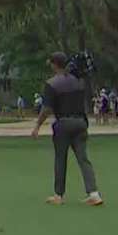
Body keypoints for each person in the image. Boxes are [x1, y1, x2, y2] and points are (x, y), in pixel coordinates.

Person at [31, 52, 103, 206]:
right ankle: (94, 193)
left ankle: (59, 195)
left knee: (60, 159)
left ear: (54, 64)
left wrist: (37, 125)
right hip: (80, 123)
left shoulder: (52, 83)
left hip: (63, 123)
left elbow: (47, 109)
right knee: (83, 159)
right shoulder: (79, 81)